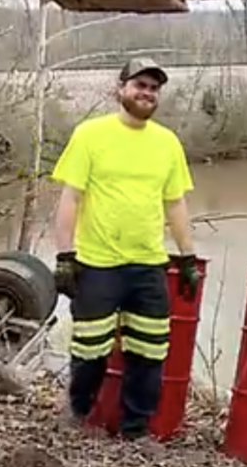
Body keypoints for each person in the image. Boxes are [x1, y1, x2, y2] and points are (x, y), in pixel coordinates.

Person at [49, 57, 202, 441]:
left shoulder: (167, 143)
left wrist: (188, 257)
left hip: (148, 265)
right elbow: (70, 198)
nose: (147, 93)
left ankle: (136, 430)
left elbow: (175, 204)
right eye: (139, 85)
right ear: (121, 89)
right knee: (90, 349)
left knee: (150, 352)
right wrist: (65, 256)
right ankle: (79, 416)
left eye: (153, 88)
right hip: (97, 264)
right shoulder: (90, 135)